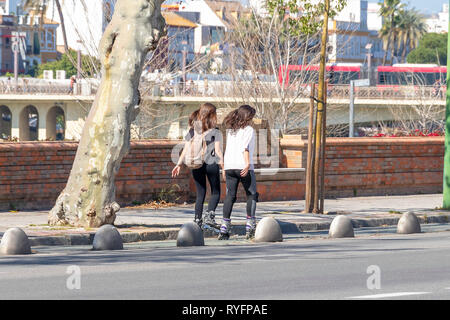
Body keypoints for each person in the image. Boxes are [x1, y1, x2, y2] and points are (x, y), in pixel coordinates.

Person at [172, 103, 225, 228]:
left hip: (196, 164)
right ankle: (209, 217)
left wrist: (179, 164)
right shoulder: (215, 131)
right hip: (211, 163)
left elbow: (185, 148)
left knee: (200, 193)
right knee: (216, 192)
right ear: (211, 115)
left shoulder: (193, 129)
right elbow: (217, 152)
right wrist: (224, 167)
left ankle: (197, 221)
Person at [219, 105, 258, 240]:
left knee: (230, 196)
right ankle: (250, 225)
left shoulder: (231, 130)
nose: (252, 119)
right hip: (242, 165)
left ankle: (224, 227)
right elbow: (244, 148)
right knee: (252, 194)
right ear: (247, 116)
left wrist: (224, 167)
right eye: (251, 116)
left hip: (230, 166)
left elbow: (228, 148)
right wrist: (247, 164)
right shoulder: (248, 130)